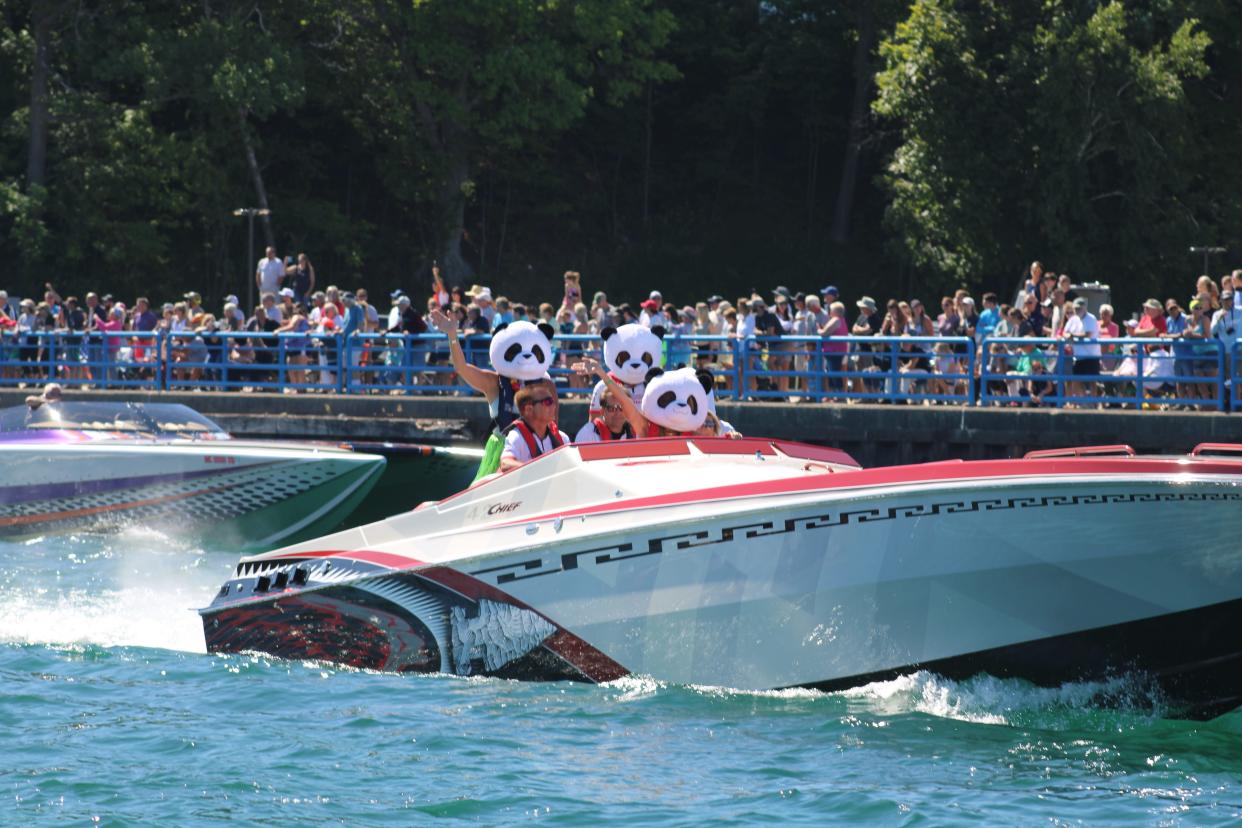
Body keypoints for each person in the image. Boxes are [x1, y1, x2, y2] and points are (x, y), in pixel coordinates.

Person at [498, 379, 569, 472]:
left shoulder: (563, 438)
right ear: (528, 409)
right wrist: (538, 470)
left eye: (553, 401)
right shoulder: (517, 437)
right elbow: (505, 463)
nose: (554, 406)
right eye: (547, 402)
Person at [1063, 297, 1101, 402]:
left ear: (1085, 308)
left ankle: (1093, 402)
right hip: (1078, 356)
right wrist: (1068, 336)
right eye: (1075, 308)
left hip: (1092, 355)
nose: (1077, 310)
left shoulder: (1091, 318)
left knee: (1093, 381)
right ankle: (1084, 401)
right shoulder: (1073, 319)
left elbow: (1087, 334)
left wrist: (1072, 336)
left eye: (1079, 308)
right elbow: (1065, 332)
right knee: (1076, 380)